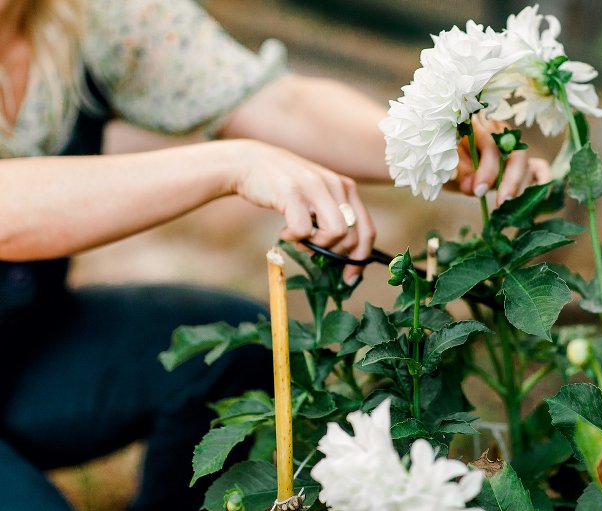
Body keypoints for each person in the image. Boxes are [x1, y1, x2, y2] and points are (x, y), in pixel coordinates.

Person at [0, 0, 551, 509]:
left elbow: (271, 100)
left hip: (26, 348)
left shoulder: (90, 14)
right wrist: (230, 165)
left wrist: (431, 142)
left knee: (231, 347)